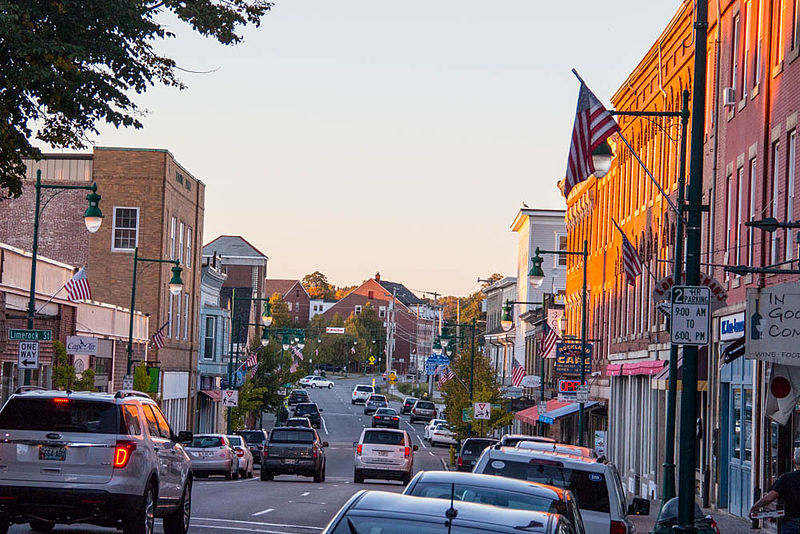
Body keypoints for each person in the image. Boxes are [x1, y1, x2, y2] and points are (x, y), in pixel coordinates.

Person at [751, 447, 800, 533]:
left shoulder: (786, 479)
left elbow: (770, 498)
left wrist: (755, 507)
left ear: (794, 461)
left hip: (792, 523)